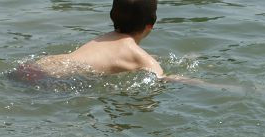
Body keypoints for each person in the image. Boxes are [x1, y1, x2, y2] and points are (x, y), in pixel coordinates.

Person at [13, 0, 165, 81]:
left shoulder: (104, 39)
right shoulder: (139, 56)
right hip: (49, 80)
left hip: (35, 67)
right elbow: (162, 78)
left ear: (112, 15)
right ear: (151, 25)